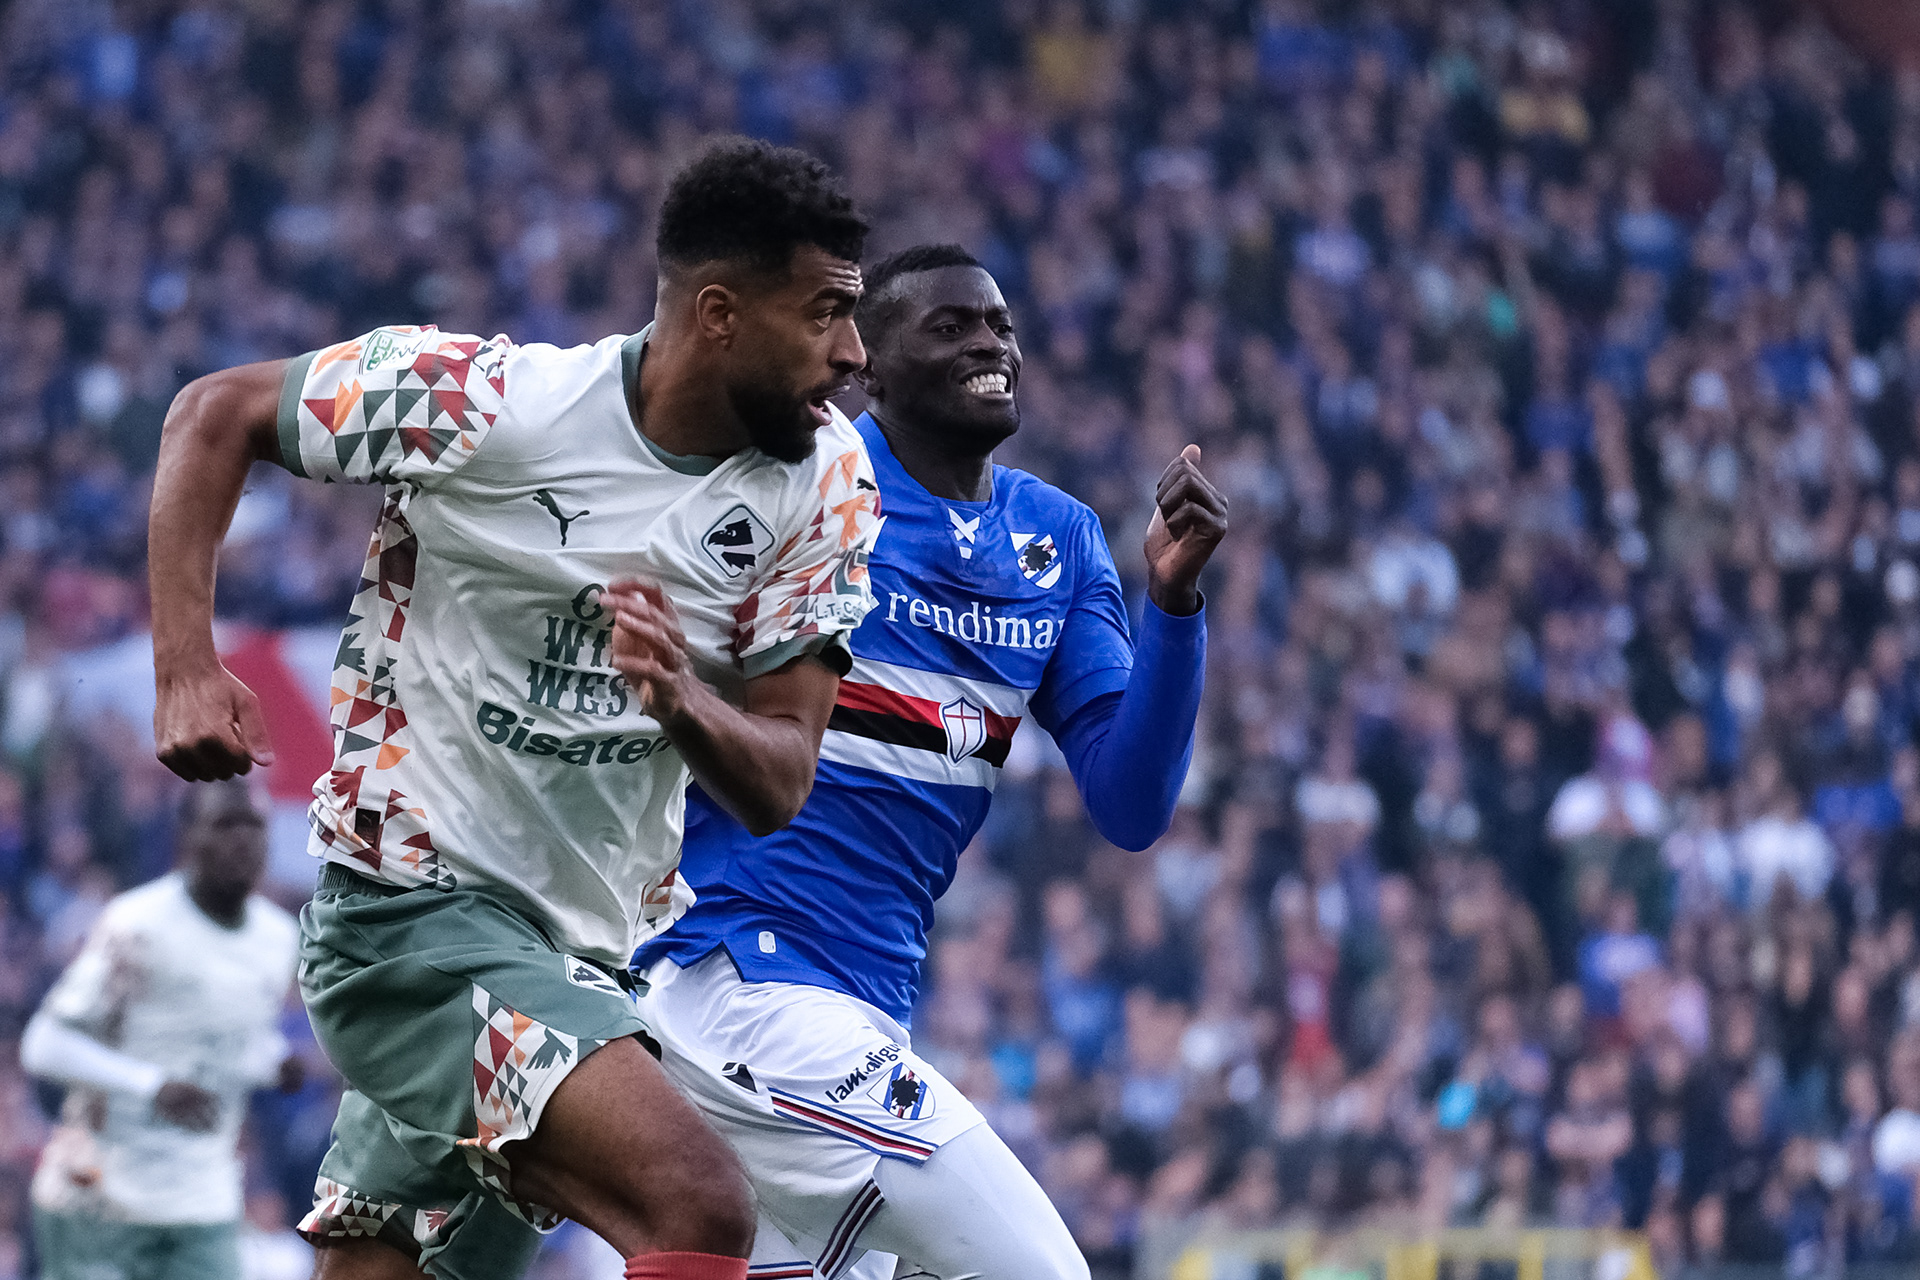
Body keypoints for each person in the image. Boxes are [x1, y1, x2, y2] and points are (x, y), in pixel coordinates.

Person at [144, 139, 884, 1280]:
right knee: (696, 1205)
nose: (854, 352)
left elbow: (782, 779)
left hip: (581, 960)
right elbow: (215, 411)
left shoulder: (822, 480)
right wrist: (186, 664)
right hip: (409, 928)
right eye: (826, 313)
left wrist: (683, 696)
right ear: (723, 312)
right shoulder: (490, 403)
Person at [632, 244, 1227, 1280]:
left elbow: (1132, 803)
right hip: (740, 974)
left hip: (863, 1004)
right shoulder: (805, 489)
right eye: (950, 327)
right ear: (871, 363)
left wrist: (1172, 605)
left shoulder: (1061, 540)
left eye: (999, 324)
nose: (989, 343)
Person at [21, 778, 300, 1280]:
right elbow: (46, 1044)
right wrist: (151, 1086)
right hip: (100, 1196)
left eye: (253, 825)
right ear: (188, 838)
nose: (242, 839)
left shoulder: (278, 938)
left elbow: (225, 1045)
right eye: (223, 825)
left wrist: (273, 1062)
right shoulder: (138, 924)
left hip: (201, 1204)